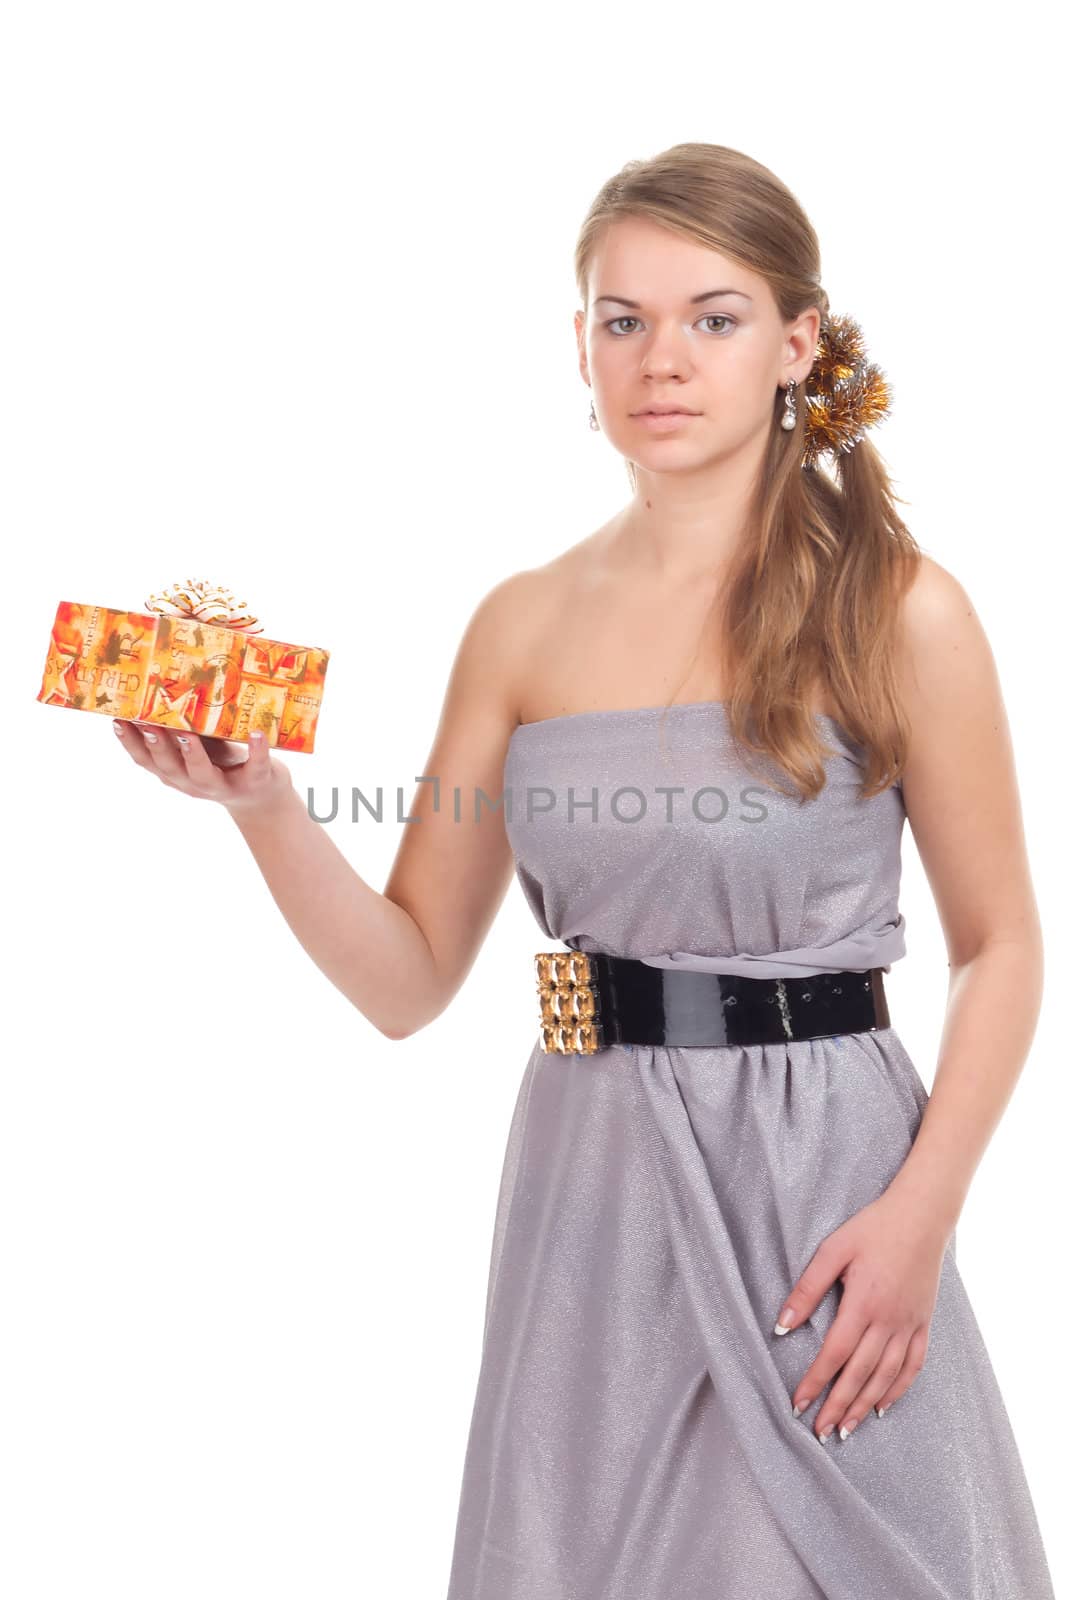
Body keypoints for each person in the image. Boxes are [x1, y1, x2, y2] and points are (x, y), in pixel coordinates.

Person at [112, 142, 1056, 1599]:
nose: (661, 359)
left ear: (798, 342)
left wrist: (920, 1218)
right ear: (581, 346)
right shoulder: (522, 625)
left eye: (714, 317)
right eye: (624, 320)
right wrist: (267, 806)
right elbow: (411, 976)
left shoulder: (904, 606)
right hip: (592, 1191)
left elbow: (1001, 945)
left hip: (829, 1195)